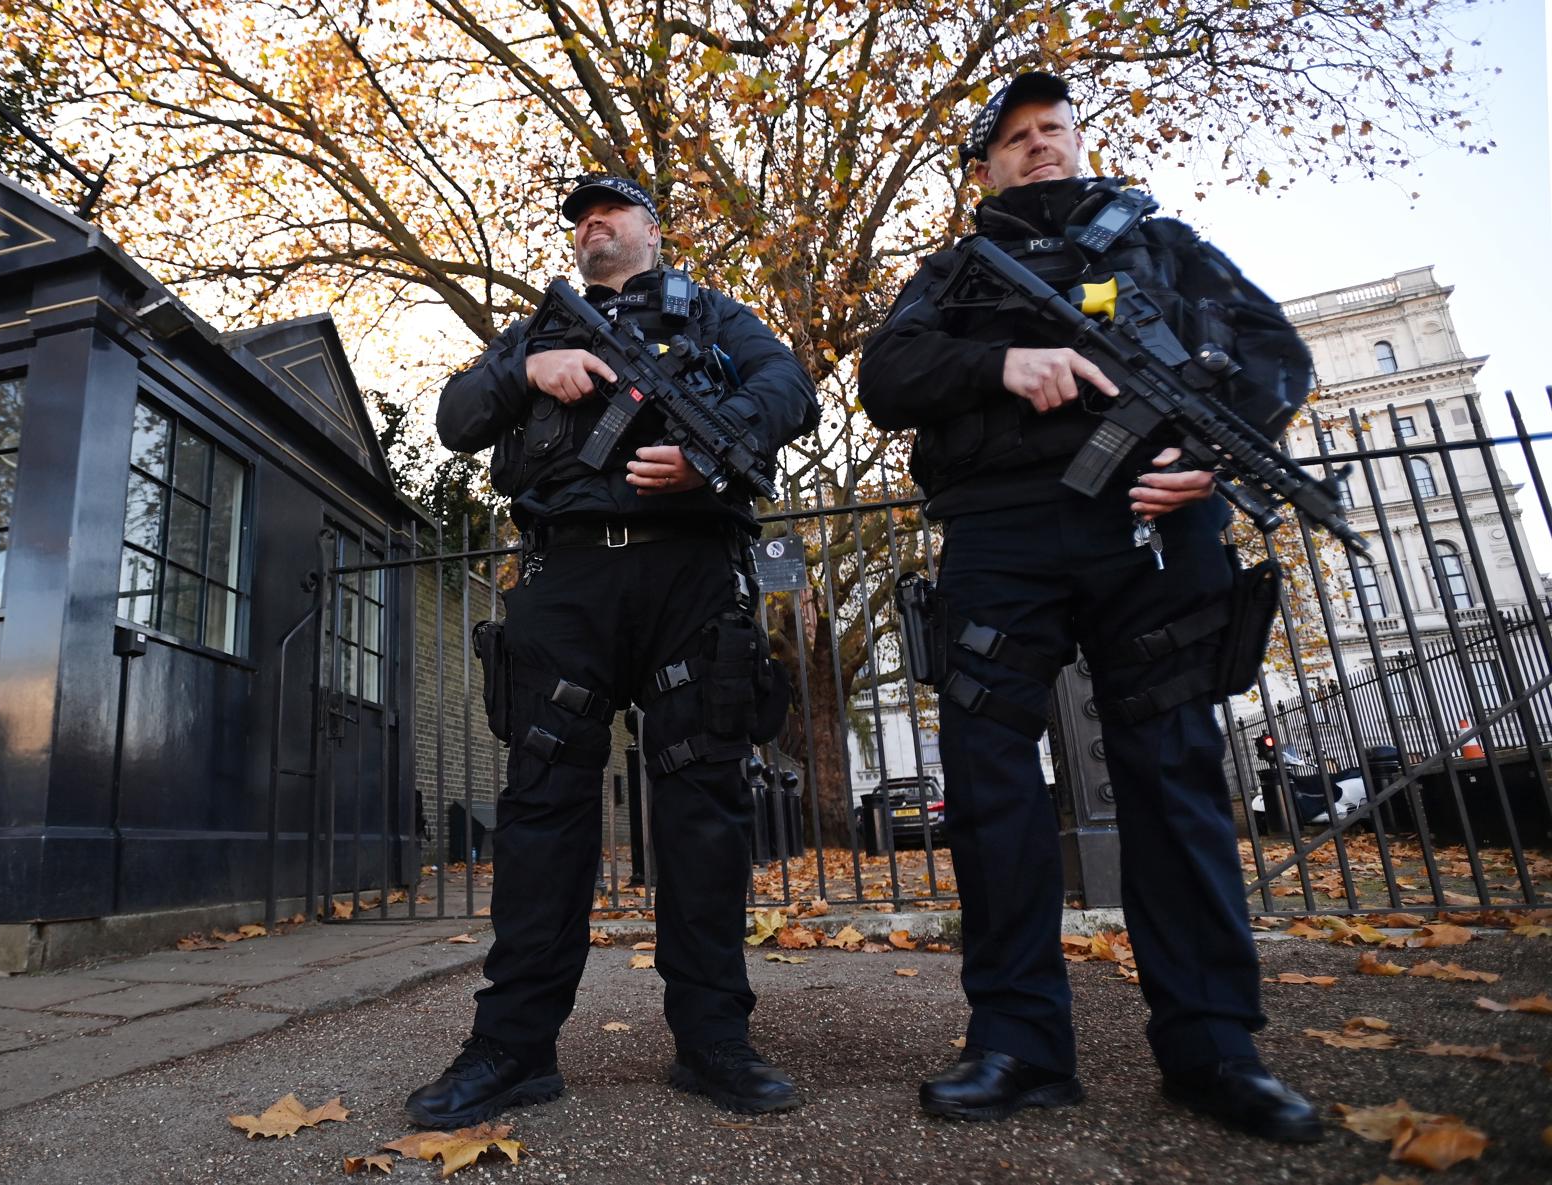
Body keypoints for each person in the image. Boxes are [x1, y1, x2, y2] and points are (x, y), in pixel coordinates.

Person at [858, 73, 1322, 1143]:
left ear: (1078, 139)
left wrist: (1210, 452)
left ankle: (1215, 1047)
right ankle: (1017, 1044)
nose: (1039, 147)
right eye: (1015, 139)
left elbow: (1275, 357)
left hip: (1155, 530)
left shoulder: (1166, 247)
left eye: (1051, 130)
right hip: (1002, 532)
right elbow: (889, 377)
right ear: (987, 168)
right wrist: (1004, 362)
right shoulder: (954, 273)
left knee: (1174, 777)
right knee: (989, 786)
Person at [411, 174, 819, 1126]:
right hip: (567, 580)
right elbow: (456, 418)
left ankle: (714, 1039)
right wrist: (526, 373)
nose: (593, 224)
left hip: (692, 577)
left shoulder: (715, 313)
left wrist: (710, 456)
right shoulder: (538, 328)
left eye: (611, 210)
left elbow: (788, 388)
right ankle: (512, 1048)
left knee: (704, 815)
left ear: (651, 227)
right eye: (579, 218)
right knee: (543, 810)